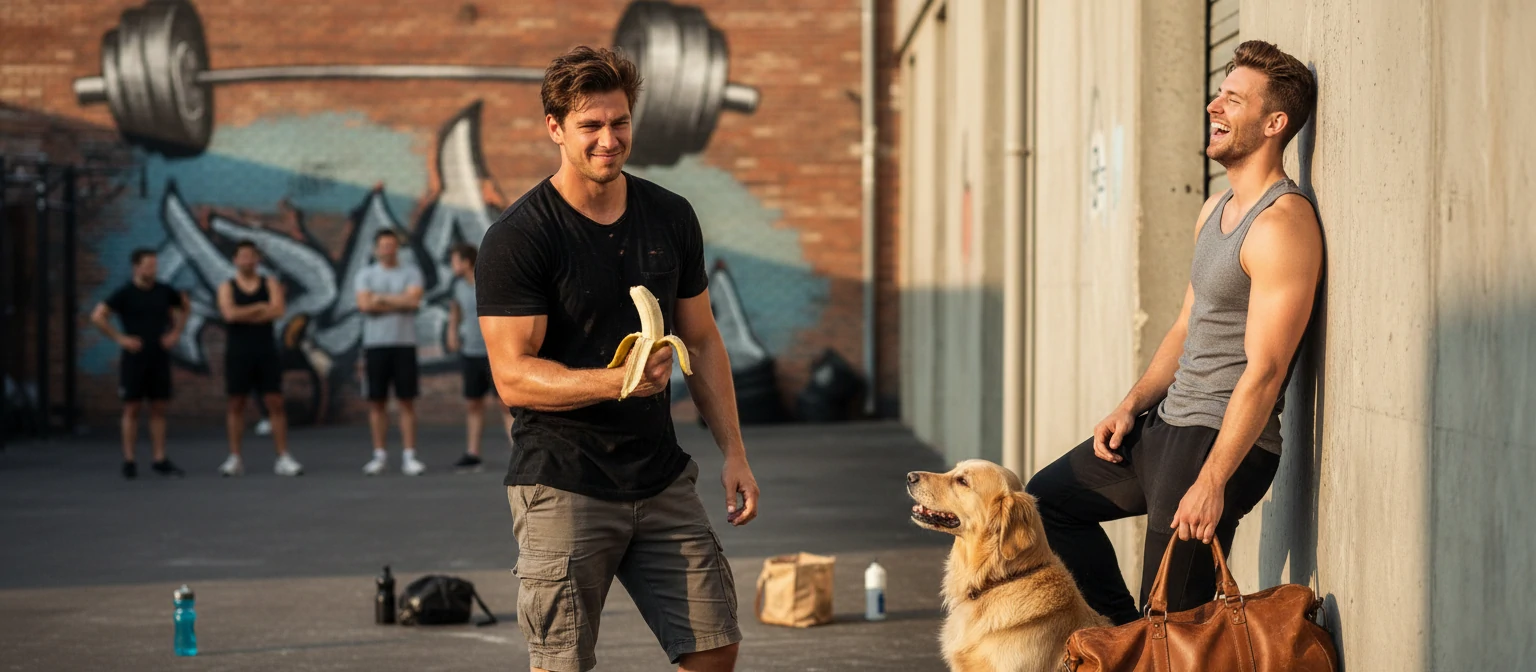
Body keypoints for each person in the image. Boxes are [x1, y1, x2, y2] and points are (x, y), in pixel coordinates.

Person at [476, 46, 760, 672]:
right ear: (555, 128)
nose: (609, 140)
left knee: (715, 646)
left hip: (660, 476)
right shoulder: (520, 237)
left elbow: (702, 340)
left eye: (620, 122)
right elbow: (512, 376)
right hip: (562, 481)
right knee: (563, 663)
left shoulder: (670, 216)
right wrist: (618, 382)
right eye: (591, 126)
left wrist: (734, 453)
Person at [1025, 40, 1323, 625]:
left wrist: (1213, 480)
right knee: (1047, 503)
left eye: (1234, 99)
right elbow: (1187, 326)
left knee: (1172, 624)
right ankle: (1124, 636)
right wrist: (1130, 406)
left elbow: (1266, 372)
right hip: (1166, 425)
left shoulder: (1282, 225)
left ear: (1274, 123)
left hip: (1216, 441)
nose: (1215, 105)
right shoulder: (1214, 209)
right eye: (1219, 93)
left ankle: (1142, 641)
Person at [91, 248, 189, 479]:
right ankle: (129, 460)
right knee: (132, 408)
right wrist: (120, 338)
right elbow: (98, 316)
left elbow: (185, 307)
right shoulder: (125, 293)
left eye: (154, 265)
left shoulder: (165, 291)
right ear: (136, 267)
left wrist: (175, 332)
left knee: (159, 408)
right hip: (134, 358)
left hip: (159, 356)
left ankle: (159, 458)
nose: (152, 270)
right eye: (147, 266)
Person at [216, 241, 303, 477]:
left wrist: (246, 313)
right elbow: (229, 315)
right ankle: (235, 458)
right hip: (238, 352)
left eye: (251, 256)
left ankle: (283, 457)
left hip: (266, 351)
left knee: (275, 402)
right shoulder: (227, 286)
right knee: (236, 403)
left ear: (258, 260)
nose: (247, 260)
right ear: (235, 260)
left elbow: (278, 310)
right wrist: (260, 309)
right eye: (243, 256)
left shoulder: (269, 283)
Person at [355, 229, 427, 476]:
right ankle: (379, 455)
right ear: (376, 249)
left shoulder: (411, 272)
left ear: (397, 248)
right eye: (384, 245)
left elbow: (414, 302)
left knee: (406, 401)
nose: (388, 249)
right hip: (375, 345)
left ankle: (410, 456)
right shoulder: (365, 274)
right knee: (377, 402)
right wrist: (399, 300)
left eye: (392, 245)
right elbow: (364, 304)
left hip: (404, 344)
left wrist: (380, 299)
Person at [445, 242, 513, 471]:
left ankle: (518, 453)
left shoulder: (487, 282)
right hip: (470, 353)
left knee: (505, 404)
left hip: (494, 353)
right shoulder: (457, 287)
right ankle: (473, 453)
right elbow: (455, 312)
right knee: (473, 404)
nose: (452, 265)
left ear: (466, 262)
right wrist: (452, 333)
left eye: (455, 261)